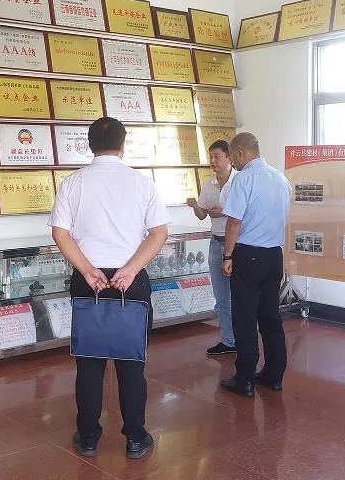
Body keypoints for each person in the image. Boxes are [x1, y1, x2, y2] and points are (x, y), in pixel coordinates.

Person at [49, 117, 171, 460]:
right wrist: (130, 270)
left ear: (89, 145)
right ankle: (135, 437)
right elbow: (158, 233)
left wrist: (87, 269)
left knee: (89, 362)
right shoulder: (142, 183)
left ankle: (88, 436)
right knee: (131, 362)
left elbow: (60, 232)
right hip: (130, 280)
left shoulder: (73, 182)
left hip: (88, 280)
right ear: (123, 145)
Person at [220, 132, 291, 398]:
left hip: (248, 256)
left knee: (245, 317)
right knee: (271, 316)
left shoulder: (244, 179)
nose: (232, 162)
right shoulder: (280, 178)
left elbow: (234, 222)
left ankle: (245, 379)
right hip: (274, 256)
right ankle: (274, 376)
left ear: (240, 152)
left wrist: (227, 256)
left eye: (231, 156)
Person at [186, 139, 238, 356]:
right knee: (221, 296)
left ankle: (244, 339)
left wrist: (223, 211)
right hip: (216, 243)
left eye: (217, 156)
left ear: (229, 158)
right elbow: (202, 214)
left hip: (237, 245)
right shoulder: (209, 185)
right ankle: (228, 340)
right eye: (211, 157)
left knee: (239, 296)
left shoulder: (240, 181)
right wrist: (195, 205)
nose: (213, 161)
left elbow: (247, 213)